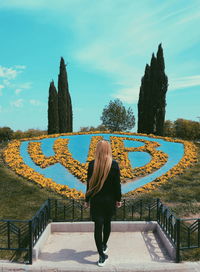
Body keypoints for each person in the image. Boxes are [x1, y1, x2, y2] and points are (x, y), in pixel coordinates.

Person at [85, 140, 122, 267]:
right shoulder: (114, 165)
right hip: (109, 201)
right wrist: (118, 199)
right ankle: (104, 244)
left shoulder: (91, 165)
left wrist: (87, 200)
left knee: (97, 227)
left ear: (97, 149)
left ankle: (101, 256)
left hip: (96, 200)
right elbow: (117, 185)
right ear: (108, 149)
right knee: (107, 223)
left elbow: (89, 185)